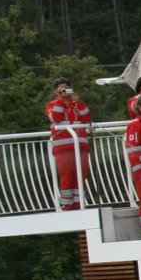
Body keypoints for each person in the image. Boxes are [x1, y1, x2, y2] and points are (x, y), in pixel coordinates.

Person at [45, 76, 91, 210]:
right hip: (63, 148)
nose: (64, 89)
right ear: (55, 91)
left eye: (66, 86)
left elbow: (86, 118)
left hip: (80, 146)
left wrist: (78, 102)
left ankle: (80, 204)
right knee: (67, 176)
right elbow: (56, 117)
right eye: (61, 87)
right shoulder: (52, 105)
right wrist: (61, 100)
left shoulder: (77, 104)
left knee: (81, 176)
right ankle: (67, 206)